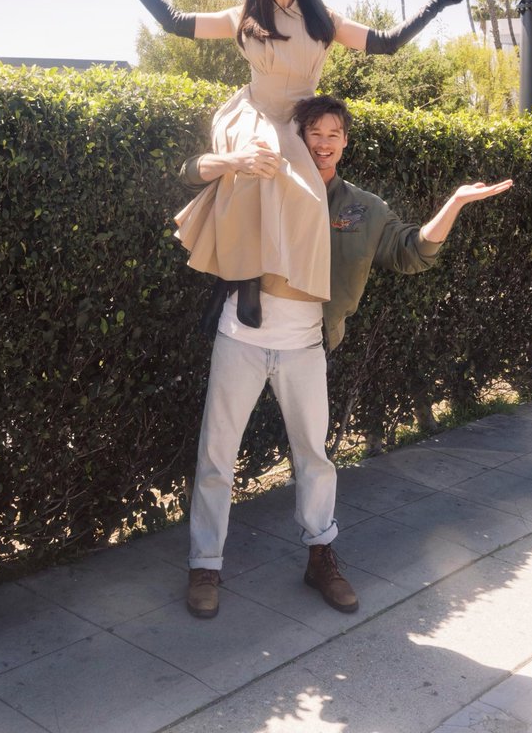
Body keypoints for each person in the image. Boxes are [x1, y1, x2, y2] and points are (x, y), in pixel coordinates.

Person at [180, 94, 513, 619]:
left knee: (315, 457)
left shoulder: (362, 207)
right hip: (240, 335)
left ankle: (320, 558)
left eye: (334, 134)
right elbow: (192, 172)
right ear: (297, 136)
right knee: (216, 456)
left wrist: (453, 204)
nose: (323, 143)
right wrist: (236, 160)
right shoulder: (263, 180)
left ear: (346, 143)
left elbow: (411, 251)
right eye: (314, 132)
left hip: (306, 345)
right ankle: (205, 564)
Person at [103, 0, 464, 320]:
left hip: (299, 119)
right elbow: (173, 22)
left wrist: (438, 2)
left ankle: (296, 292)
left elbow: (387, 43)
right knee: (256, 165)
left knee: (308, 201)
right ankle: (243, 281)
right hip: (255, 111)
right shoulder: (242, 16)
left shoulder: (323, 20)